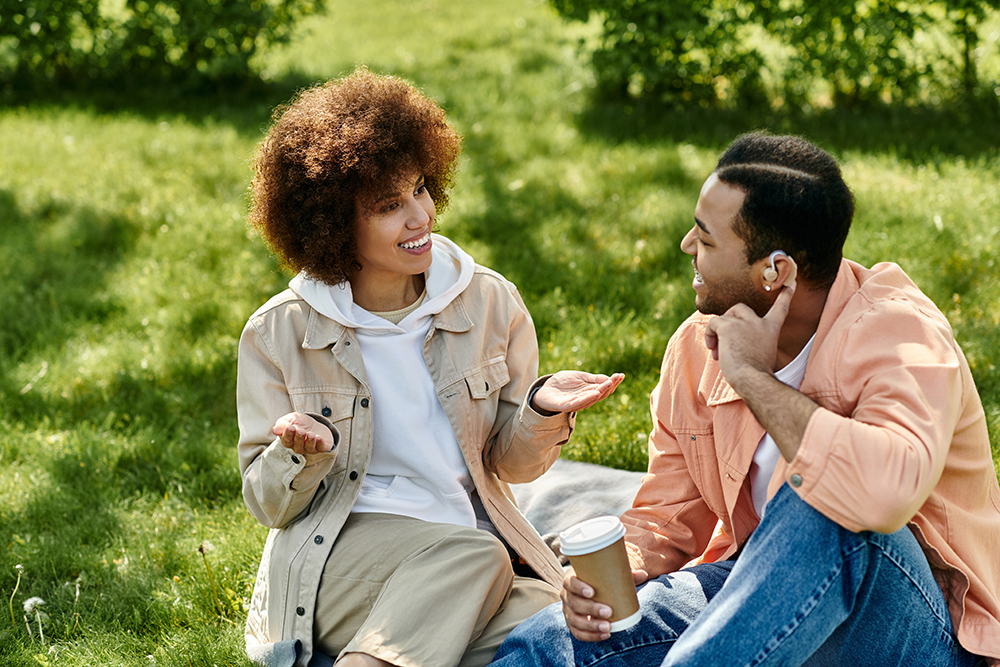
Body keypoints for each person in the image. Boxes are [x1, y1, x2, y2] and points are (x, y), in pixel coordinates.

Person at [491, 132, 1000, 666]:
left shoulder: (900, 334)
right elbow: (667, 514)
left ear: (775, 270)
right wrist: (607, 577)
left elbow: (881, 494)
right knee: (556, 642)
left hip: (915, 633)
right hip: (767, 603)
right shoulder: (697, 344)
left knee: (831, 503)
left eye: (707, 239)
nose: (687, 245)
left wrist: (754, 377)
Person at [236, 67, 624, 667]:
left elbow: (509, 467)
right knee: (477, 559)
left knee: (567, 632)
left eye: (419, 188)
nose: (418, 216)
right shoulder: (280, 330)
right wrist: (298, 455)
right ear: (334, 223)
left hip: (468, 554)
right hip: (340, 560)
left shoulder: (489, 302)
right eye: (389, 205)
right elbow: (270, 506)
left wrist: (542, 409)